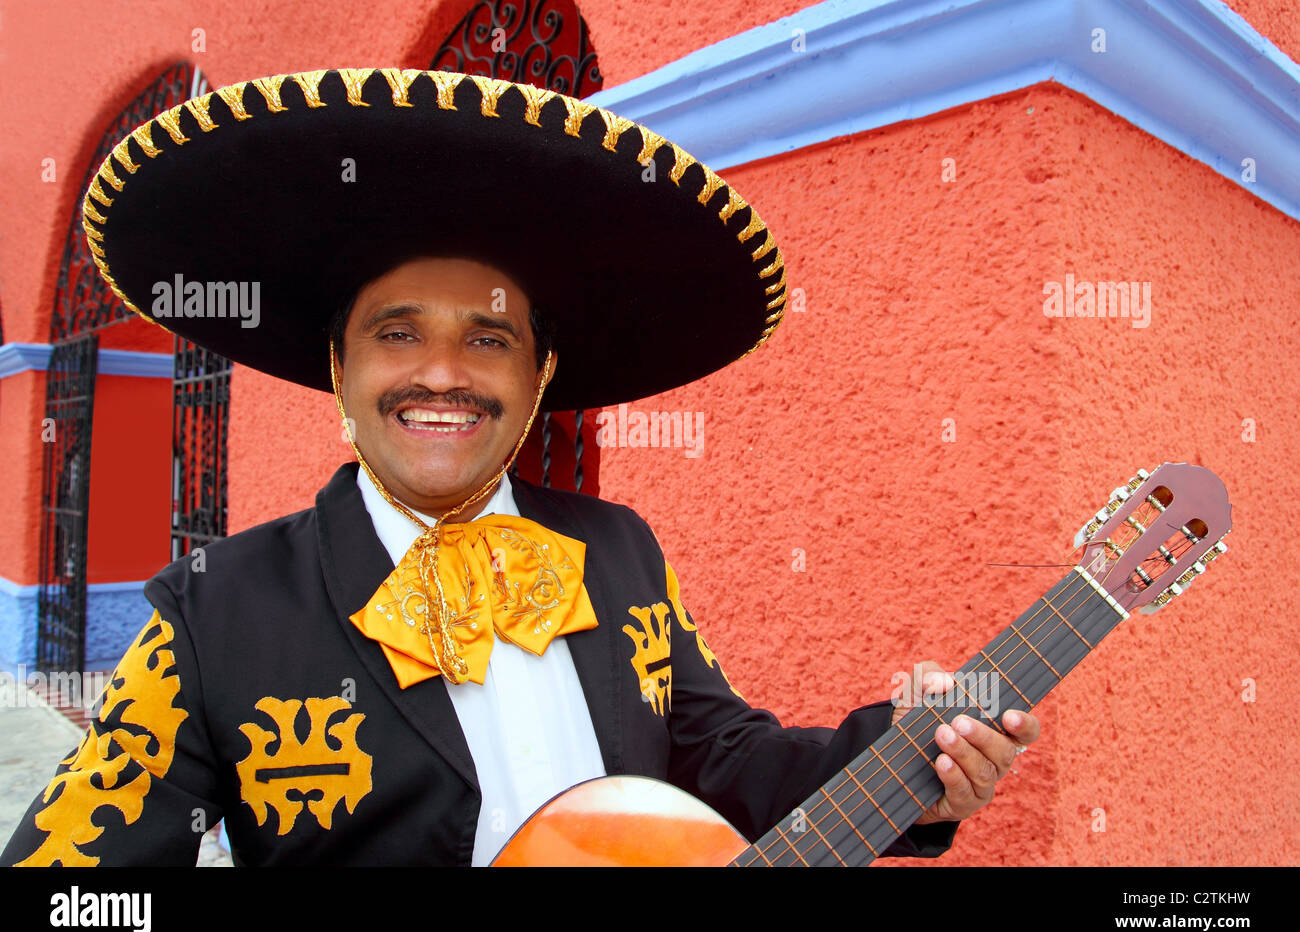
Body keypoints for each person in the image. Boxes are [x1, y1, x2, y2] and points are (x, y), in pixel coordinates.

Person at [2, 68, 1037, 867]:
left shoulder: (616, 548)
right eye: (398, 334)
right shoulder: (209, 609)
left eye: (489, 340)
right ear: (339, 368)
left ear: (538, 375)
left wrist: (906, 762)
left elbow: (719, 757)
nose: (443, 373)